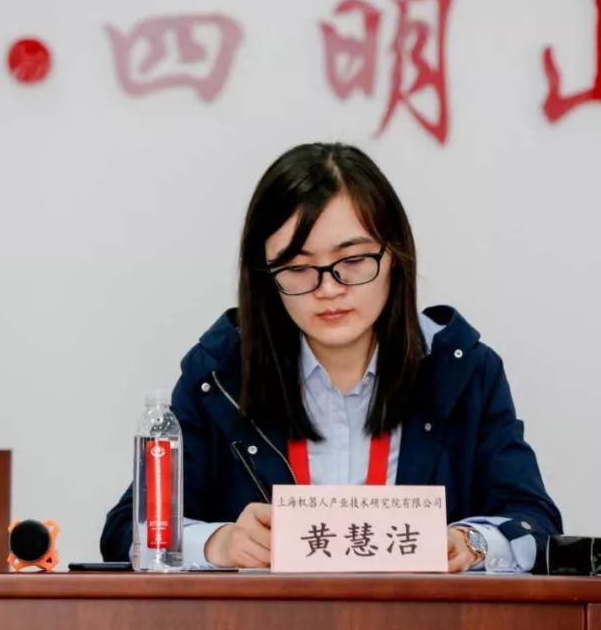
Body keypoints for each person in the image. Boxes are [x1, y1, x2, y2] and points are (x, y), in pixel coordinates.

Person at [101, 142, 561, 572]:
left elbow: (535, 523)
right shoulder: (222, 376)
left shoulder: (461, 370)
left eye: (353, 261)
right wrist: (216, 543)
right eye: (298, 267)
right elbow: (126, 530)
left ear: (395, 256)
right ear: (265, 276)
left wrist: (472, 542)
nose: (328, 289)